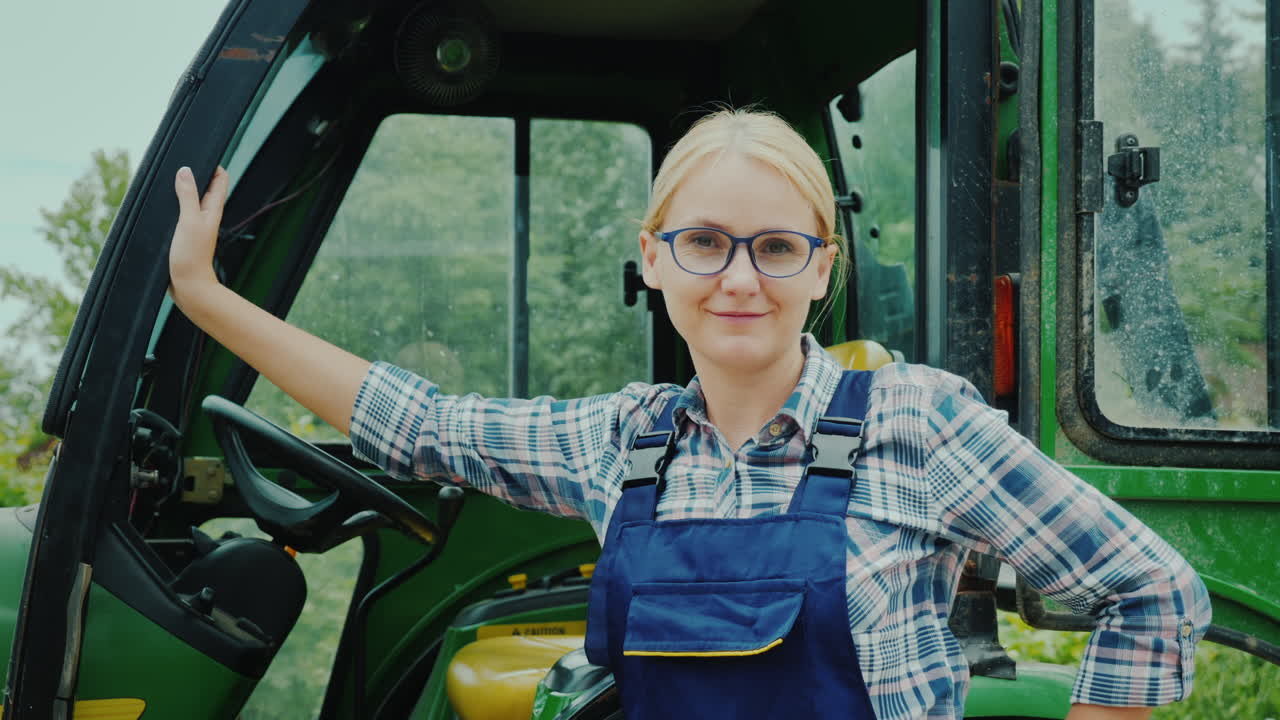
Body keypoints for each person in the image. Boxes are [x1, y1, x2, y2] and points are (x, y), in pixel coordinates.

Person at [169, 108, 1212, 720]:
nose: (739, 279)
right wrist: (207, 298)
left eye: (777, 247)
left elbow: (1152, 591)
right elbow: (421, 423)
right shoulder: (622, 442)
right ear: (653, 257)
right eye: (704, 243)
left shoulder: (916, 422)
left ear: (822, 267)